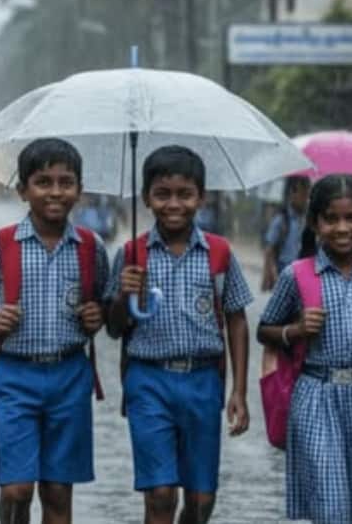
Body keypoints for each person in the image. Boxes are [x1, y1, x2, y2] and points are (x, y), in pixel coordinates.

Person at [0, 138, 109, 524]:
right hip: (13, 376)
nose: (55, 192)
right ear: (23, 190)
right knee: (17, 490)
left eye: (65, 182)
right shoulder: (0, 244)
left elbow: (104, 304)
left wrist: (99, 314)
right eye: (43, 182)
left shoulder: (91, 248)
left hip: (70, 376)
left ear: (79, 189)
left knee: (57, 491)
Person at [106, 145, 252, 524]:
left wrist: (238, 391)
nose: (174, 204)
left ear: (201, 198)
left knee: (201, 499)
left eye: (185, 194)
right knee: (160, 494)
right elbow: (113, 327)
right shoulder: (131, 254)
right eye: (162, 194)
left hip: (203, 381)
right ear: (146, 198)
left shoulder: (219, 252)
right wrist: (124, 295)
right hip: (147, 380)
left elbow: (236, 319)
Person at [258, 175, 352, 523]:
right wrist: (296, 330)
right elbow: (264, 330)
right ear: (315, 224)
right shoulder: (296, 274)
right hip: (316, 395)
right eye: (331, 219)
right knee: (331, 506)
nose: (343, 228)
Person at [262, 175, 311, 291]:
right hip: (283, 273)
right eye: (303, 194)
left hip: (303, 275)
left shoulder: (309, 220)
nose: (306, 199)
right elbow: (269, 250)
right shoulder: (281, 220)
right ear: (292, 194)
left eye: (308, 195)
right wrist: (274, 275)